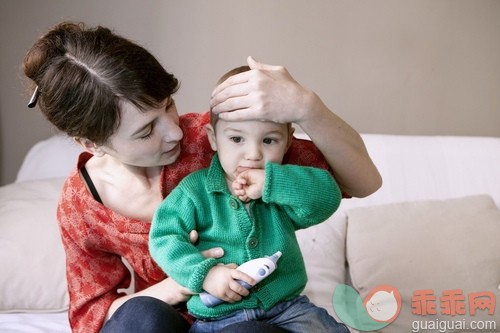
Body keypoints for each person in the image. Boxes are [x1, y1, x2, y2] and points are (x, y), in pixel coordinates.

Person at [22, 21, 380, 333]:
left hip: (254, 317)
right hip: (171, 319)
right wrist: (186, 281)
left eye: (168, 104)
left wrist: (307, 107)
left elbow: (361, 183)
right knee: (141, 317)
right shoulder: (81, 207)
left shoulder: (220, 140)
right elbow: (92, 315)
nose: (174, 132)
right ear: (91, 143)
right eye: (146, 131)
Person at [149, 66, 349, 332]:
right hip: (217, 317)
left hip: (287, 308)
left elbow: (328, 198)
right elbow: (164, 238)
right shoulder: (194, 191)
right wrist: (205, 274)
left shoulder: (280, 186)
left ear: (288, 142)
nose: (253, 154)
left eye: (268, 140)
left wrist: (273, 182)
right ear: (213, 138)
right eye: (236, 138)